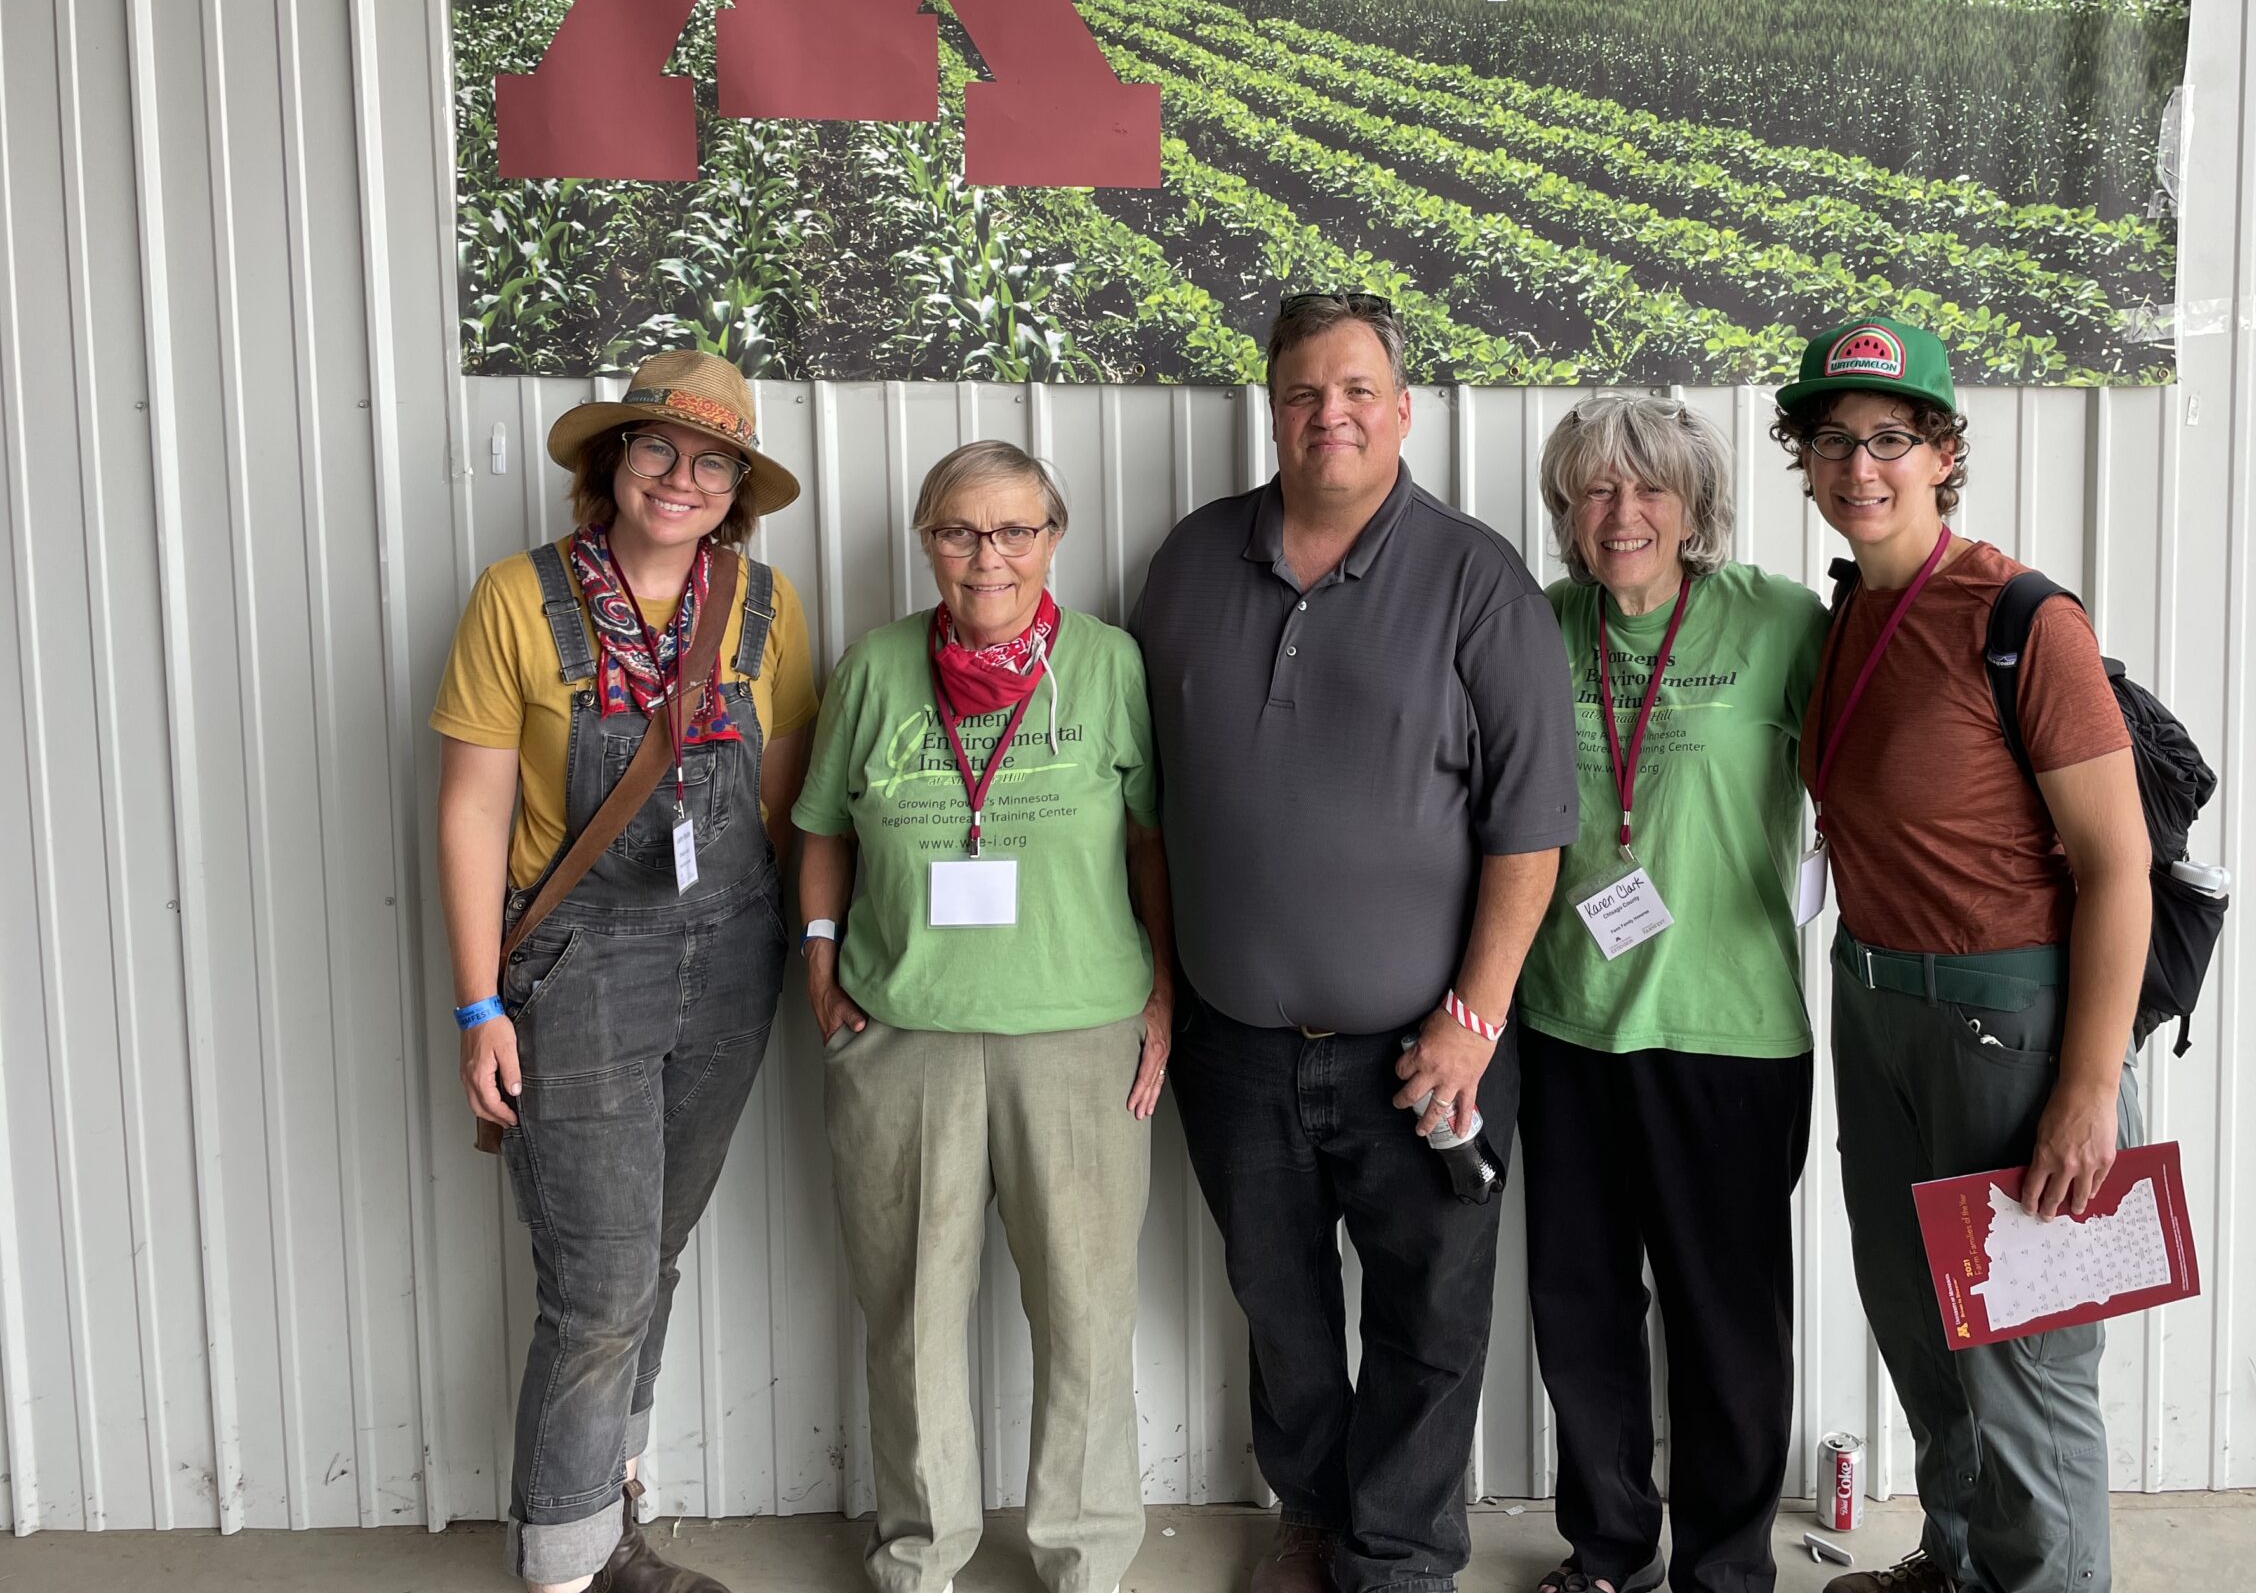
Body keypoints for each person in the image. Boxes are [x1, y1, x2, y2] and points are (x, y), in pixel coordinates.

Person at [1129, 292, 1579, 1593]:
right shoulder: (1192, 564)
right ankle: (1313, 1519)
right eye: (1303, 393)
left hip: (1430, 1053)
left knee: (1431, 1321)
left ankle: (1400, 1556)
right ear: (1272, 410)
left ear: (1403, 409)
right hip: (1238, 1048)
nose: (1331, 415)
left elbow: (1531, 832)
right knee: (1281, 1307)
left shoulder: (1477, 580)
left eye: (1357, 391)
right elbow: (1148, 794)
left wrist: (1474, 1019)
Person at [1768, 318, 2149, 1593]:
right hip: (1878, 1011)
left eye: (1888, 439)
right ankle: (1958, 1560)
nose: (1857, 466)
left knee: (2025, 1362)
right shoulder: (1846, 621)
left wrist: (2087, 1089)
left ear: (1941, 453)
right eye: (1831, 441)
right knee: (1923, 1329)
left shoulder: (2021, 618)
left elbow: (2116, 868)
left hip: (2011, 1029)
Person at [433, 349, 817, 1593]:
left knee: (651, 1253)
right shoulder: (516, 598)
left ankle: (612, 1516)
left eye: (713, 461)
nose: (681, 476)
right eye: (657, 448)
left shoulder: (764, 606)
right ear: (612, 461)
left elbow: (779, 796)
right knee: (596, 1283)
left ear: (736, 491)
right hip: (581, 964)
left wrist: (807, 944)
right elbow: (472, 815)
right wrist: (482, 1000)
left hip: (730, 954)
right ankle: (566, 1565)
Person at [792, 439, 1173, 1593]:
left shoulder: (1110, 666)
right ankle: (921, 1553)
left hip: (1079, 1040)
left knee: (1086, 1319)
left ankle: (1085, 1553)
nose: (987, 556)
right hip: (902, 1041)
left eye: (1014, 531)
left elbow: (1153, 841)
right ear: (927, 543)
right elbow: (822, 828)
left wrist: (1162, 990)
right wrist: (818, 955)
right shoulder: (873, 668)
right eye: (960, 531)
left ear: (1054, 540)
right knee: (909, 1319)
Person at [1517, 395, 1828, 1593]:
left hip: (1729, 1034)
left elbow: (1879, 761)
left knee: (1723, 1322)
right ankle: (1606, 1549)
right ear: (1566, 511)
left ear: (1695, 505)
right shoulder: (1535, 629)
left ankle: (1723, 1566)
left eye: (1649, 489)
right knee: (1582, 1310)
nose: (1623, 512)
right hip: (1566, 1025)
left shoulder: (1778, 623)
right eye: (1595, 490)